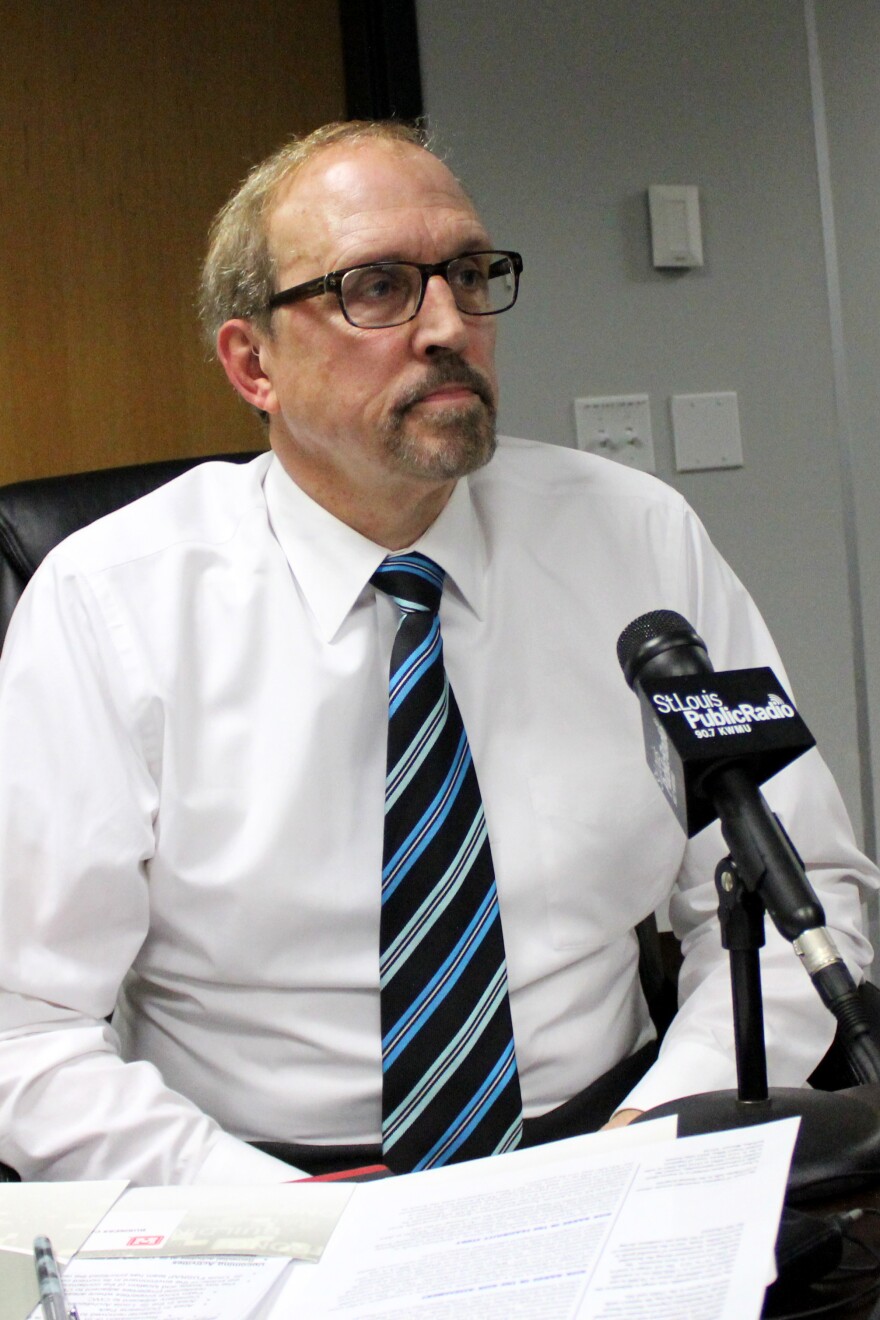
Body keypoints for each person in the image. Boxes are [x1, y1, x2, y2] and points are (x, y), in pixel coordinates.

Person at [0, 120, 875, 1185]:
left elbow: (800, 887)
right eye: (375, 287)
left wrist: (659, 1143)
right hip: (260, 1188)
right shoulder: (112, 601)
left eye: (467, 273)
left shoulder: (635, 537)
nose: (448, 325)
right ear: (252, 362)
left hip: (613, 1144)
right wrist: (283, 1222)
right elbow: (25, 1031)